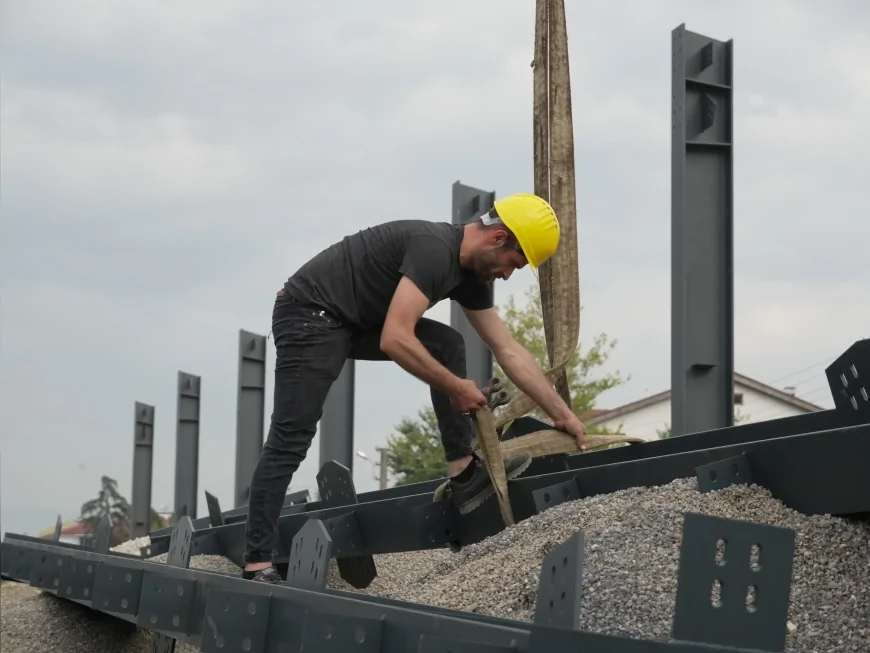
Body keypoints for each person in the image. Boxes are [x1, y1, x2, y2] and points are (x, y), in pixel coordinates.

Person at [241, 193, 588, 584]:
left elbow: (508, 350)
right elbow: (395, 338)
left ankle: (463, 474)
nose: (508, 275)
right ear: (498, 238)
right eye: (514, 263)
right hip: (309, 313)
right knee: (292, 436)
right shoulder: (434, 250)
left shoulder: (471, 276)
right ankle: (257, 563)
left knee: (448, 344)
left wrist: (563, 416)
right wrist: (456, 387)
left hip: (354, 320)